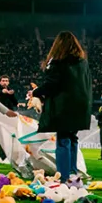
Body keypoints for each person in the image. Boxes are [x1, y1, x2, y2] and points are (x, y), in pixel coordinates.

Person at [30, 32, 91, 180]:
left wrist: (36, 92)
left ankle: (63, 177)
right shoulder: (82, 63)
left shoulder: (58, 62)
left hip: (64, 107)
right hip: (81, 106)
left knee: (63, 139)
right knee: (73, 138)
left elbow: (51, 84)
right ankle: (73, 174)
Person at [0, 74, 17, 163]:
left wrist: (11, 95)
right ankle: (3, 156)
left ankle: (1, 156)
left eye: (6, 81)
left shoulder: (9, 90)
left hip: (8, 115)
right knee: (3, 135)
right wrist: (1, 92)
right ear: (0, 82)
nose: (5, 82)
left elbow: (15, 103)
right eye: (3, 81)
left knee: (6, 135)